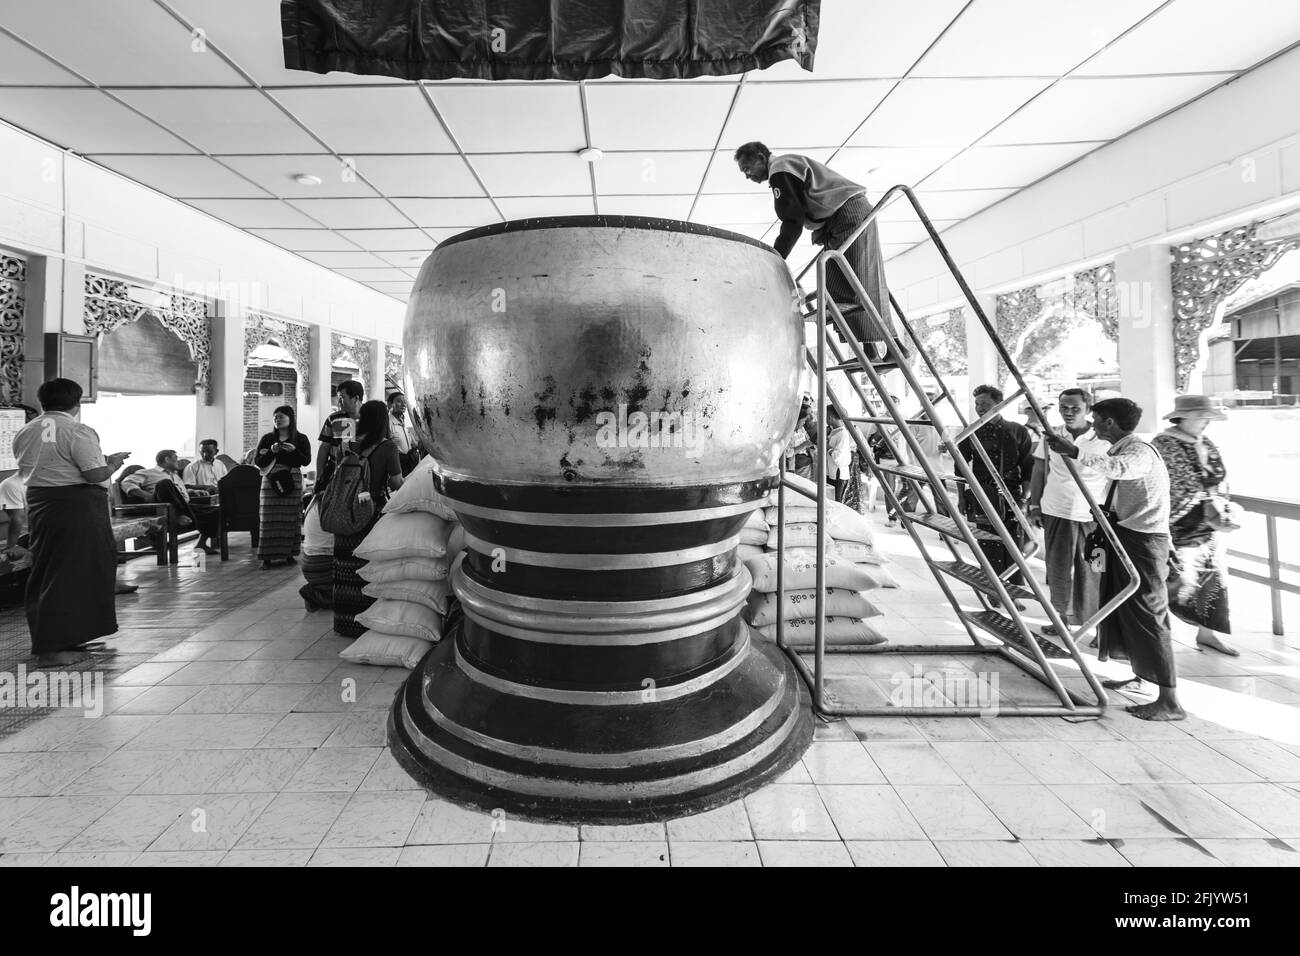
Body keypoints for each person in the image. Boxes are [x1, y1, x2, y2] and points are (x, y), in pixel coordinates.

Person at [1046, 397, 1182, 721]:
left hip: (1144, 541)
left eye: (1095, 419)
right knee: (1127, 611)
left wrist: (1075, 451)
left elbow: (1119, 470)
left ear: (1109, 422)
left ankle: (1170, 701)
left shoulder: (1137, 452)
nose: (1092, 425)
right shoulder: (1122, 448)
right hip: (1126, 535)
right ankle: (1142, 677)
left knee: (1150, 615)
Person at [735, 141, 902, 365]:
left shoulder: (781, 168)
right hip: (837, 220)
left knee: (860, 280)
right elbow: (794, 216)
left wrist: (775, 257)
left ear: (760, 157)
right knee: (838, 283)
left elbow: (792, 220)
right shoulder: (784, 169)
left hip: (849, 213)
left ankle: (896, 350)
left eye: (747, 168)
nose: (748, 176)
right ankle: (869, 352)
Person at [12, 378, 129, 663]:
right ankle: (50, 649)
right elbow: (94, 474)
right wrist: (113, 463)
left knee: (57, 569)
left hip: (42, 504)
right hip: (75, 508)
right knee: (68, 573)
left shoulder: (25, 431)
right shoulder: (77, 430)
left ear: (43, 402)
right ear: (77, 403)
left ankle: (70, 638)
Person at [1152, 395, 1238, 658]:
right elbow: (1165, 484)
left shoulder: (1206, 443)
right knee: (1174, 579)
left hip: (1206, 525)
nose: (1205, 423)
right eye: (1201, 417)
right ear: (1184, 417)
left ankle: (1207, 632)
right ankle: (1151, 636)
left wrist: (1221, 505)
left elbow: (1217, 478)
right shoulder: (1163, 444)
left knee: (1213, 578)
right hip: (1176, 524)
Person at [1029, 388, 1110, 642]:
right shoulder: (1051, 436)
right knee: (1057, 568)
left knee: (1096, 569)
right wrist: (1034, 505)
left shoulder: (1104, 438)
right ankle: (1060, 618)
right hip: (1056, 511)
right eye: (1064, 407)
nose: (1069, 412)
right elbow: (1040, 471)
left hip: (1093, 516)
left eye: (1075, 408)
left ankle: (1099, 626)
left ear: (1088, 408)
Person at [333, 399, 403, 637]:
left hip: (342, 506)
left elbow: (335, 465)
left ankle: (344, 621)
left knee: (344, 567)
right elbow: (396, 483)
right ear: (384, 420)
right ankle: (368, 622)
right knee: (369, 566)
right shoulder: (388, 447)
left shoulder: (347, 440)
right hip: (370, 510)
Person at [957, 385, 1034, 591]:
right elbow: (960, 468)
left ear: (999, 404)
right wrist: (961, 498)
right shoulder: (970, 432)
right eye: (977, 404)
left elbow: (1028, 467)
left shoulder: (1018, 431)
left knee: (1014, 543)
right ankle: (992, 589)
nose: (979, 408)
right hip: (984, 495)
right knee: (988, 541)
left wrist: (1025, 500)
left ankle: (1013, 591)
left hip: (1012, 495)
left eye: (985, 403)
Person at [121, 449, 220, 554]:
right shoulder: (148, 472)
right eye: (175, 459)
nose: (178, 461)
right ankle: (178, 515)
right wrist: (146, 495)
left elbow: (176, 492)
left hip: (182, 506)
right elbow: (127, 483)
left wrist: (192, 491)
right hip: (160, 507)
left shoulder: (175, 476)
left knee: (215, 511)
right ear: (167, 459)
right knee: (164, 483)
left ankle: (201, 543)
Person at [253, 406, 311, 569]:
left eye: (281, 417)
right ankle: (267, 557)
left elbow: (305, 460)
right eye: (275, 417)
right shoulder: (267, 439)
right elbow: (258, 462)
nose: (277, 420)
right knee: (268, 518)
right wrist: (271, 452)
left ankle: (289, 554)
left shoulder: (300, 439)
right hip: (270, 480)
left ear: (290, 418)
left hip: (292, 478)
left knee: (291, 517)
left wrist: (293, 451)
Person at [316, 380, 364, 493]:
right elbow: (324, 448)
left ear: (356, 398)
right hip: (336, 472)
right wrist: (319, 476)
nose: (339, 402)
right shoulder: (334, 419)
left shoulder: (370, 417)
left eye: (342, 397)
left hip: (362, 472)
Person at [387, 389, 421, 476]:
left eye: (405, 402)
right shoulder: (387, 423)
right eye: (399, 401)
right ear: (390, 404)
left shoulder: (403, 422)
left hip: (409, 465)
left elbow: (412, 444)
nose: (403, 404)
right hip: (397, 467)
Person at [825, 405, 852, 503]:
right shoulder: (833, 431)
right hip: (831, 471)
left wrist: (827, 447)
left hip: (838, 472)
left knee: (837, 501)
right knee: (830, 499)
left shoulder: (843, 434)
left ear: (830, 418)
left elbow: (839, 457)